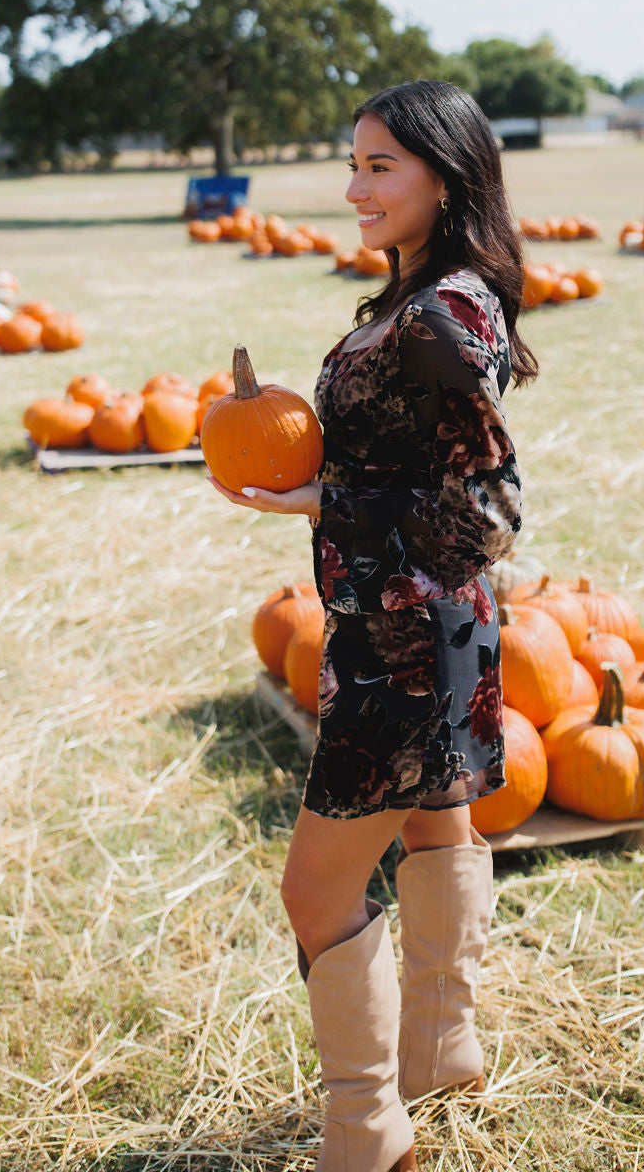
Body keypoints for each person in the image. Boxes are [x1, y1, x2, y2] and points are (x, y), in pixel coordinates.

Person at [208, 79, 536, 1172]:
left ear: (447, 174)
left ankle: (367, 1137)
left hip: (411, 638)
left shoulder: (444, 313)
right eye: (352, 163)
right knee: (437, 826)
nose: (354, 187)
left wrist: (327, 501)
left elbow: (488, 512)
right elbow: (412, 462)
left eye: (380, 165)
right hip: (421, 633)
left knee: (316, 886)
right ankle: (439, 1048)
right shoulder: (423, 294)